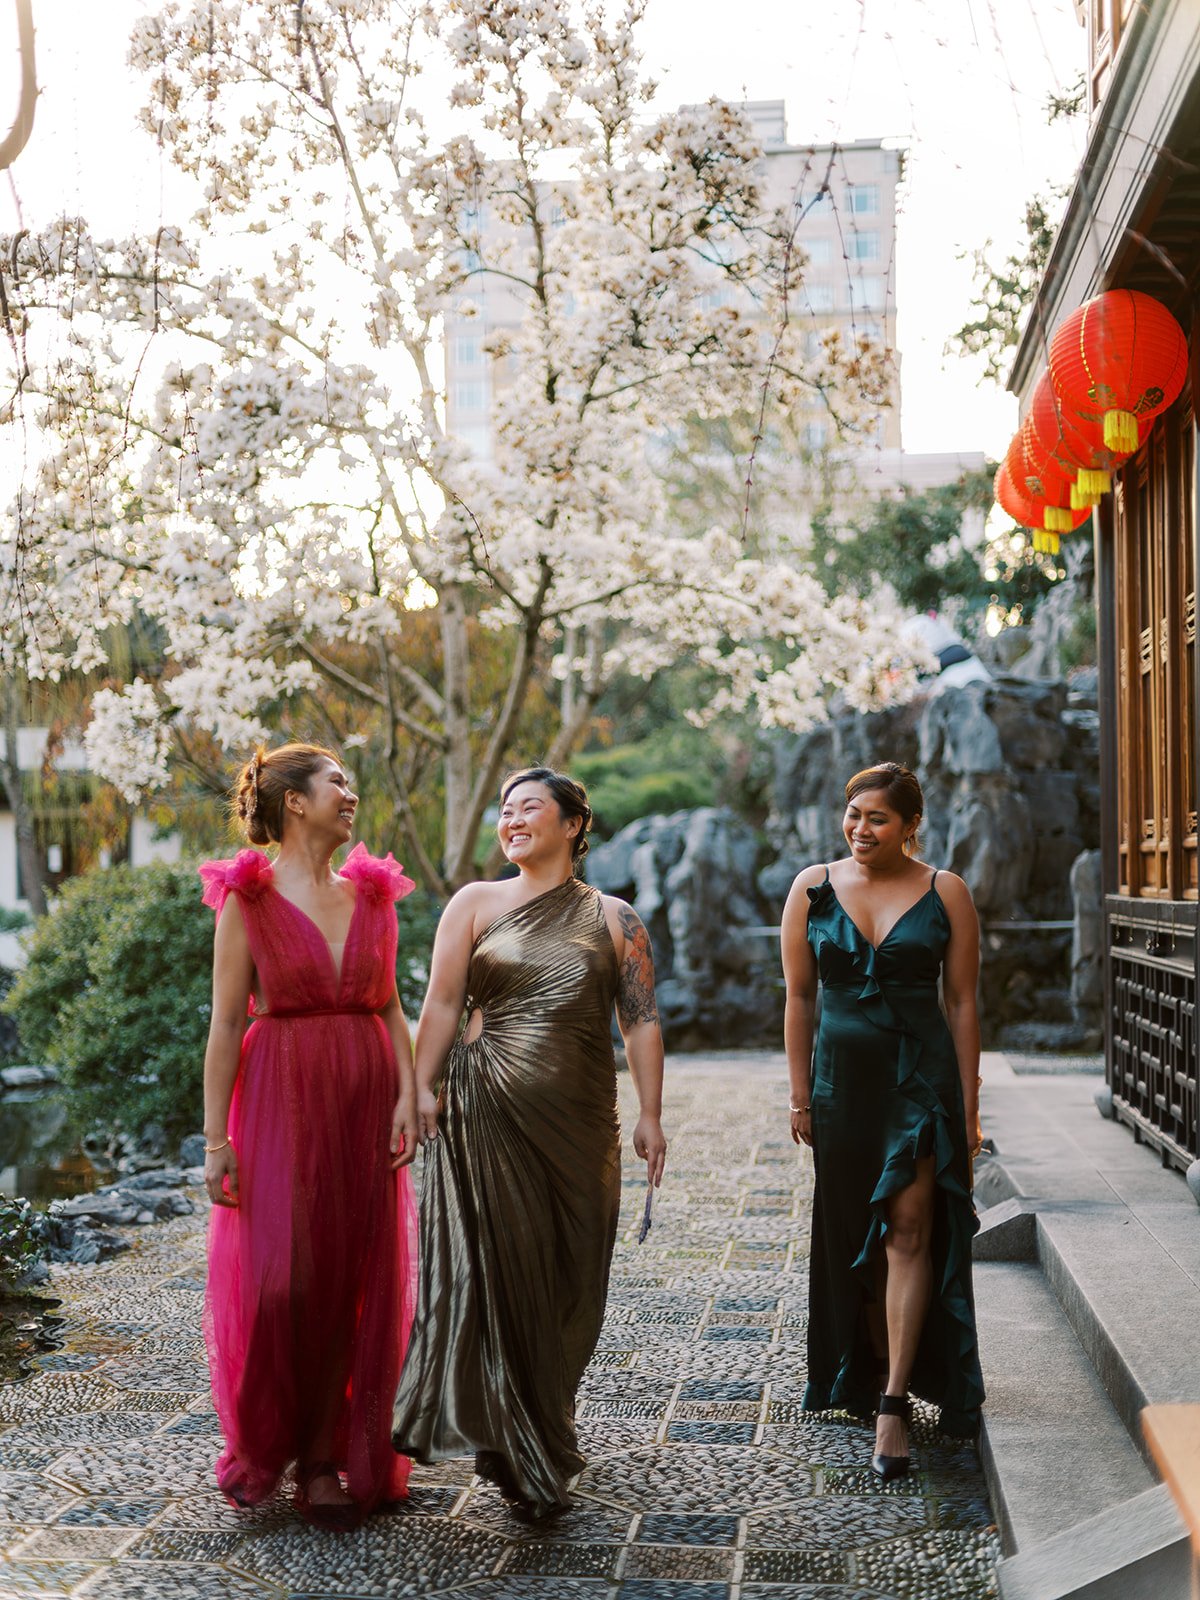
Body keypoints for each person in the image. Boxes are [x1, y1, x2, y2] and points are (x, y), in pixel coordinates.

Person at [392, 765, 668, 1522]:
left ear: (574, 823)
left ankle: (543, 1420)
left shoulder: (616, 918)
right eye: (504, 811)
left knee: (574, 1278)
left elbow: (640, 1019)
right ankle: (526, 1452)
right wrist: (422, 1086)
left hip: (583, 1122)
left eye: (529, 809)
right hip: (486, 1115)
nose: (511, 821)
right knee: (502, 1274)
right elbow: (442, 1000)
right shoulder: (475, 903)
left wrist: (651, 1114)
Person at [198, 743, 420, 1529]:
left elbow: (391, 1007)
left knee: (352, 1277)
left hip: (364, 1100)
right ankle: (270, 1442)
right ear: (295, 802)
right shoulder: (247, 900)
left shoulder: (372, 895)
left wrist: (411, 1095)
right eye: (336, 783)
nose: (350, 794)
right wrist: (215, 1140)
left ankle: (327, 1460)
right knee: (283, 1278)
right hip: (277, 1098)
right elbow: (227, 1023)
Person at [780, 761, 984, 1480]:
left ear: (910, 826)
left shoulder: (945, 892)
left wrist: (969, 1105)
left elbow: (961, 1003)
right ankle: (862, 1374)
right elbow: (799, 998)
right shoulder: (811, 888)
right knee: (854, 1240)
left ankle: (895, 1401)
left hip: (920, 1084)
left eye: (879, 819)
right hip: (841, 1088)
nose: (861, 829)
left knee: (909, 1230)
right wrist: (801, 1095)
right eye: (854, 815)